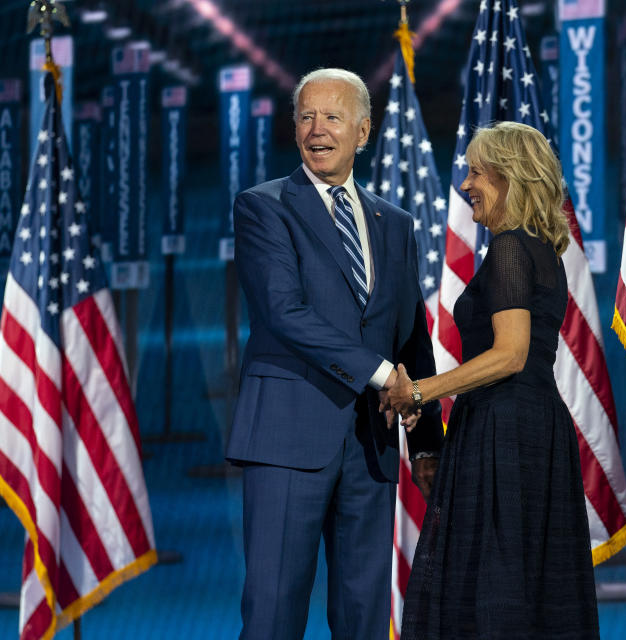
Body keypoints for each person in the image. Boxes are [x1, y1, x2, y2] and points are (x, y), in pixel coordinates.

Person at [227, 67, 443, 640]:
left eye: (332, 116)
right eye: (305, 116)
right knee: (275, 613)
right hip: (285, 440)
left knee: (364, 617)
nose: (316, 130)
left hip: (369, 447)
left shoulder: (394, 224)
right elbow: (284, 312)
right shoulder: (263, 207)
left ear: (363, 131)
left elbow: (410, 330)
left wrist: (425, 441)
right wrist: (380, 375)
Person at [388, 121, 600, 639]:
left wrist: (417, 392)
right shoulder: (542, 251)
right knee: (525, 588)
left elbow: (510, 354)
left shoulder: (509, 248)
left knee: (492, 591)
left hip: (502, 431)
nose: (465, 185)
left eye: (477, 173)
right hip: (533, 430)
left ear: (511, 178)